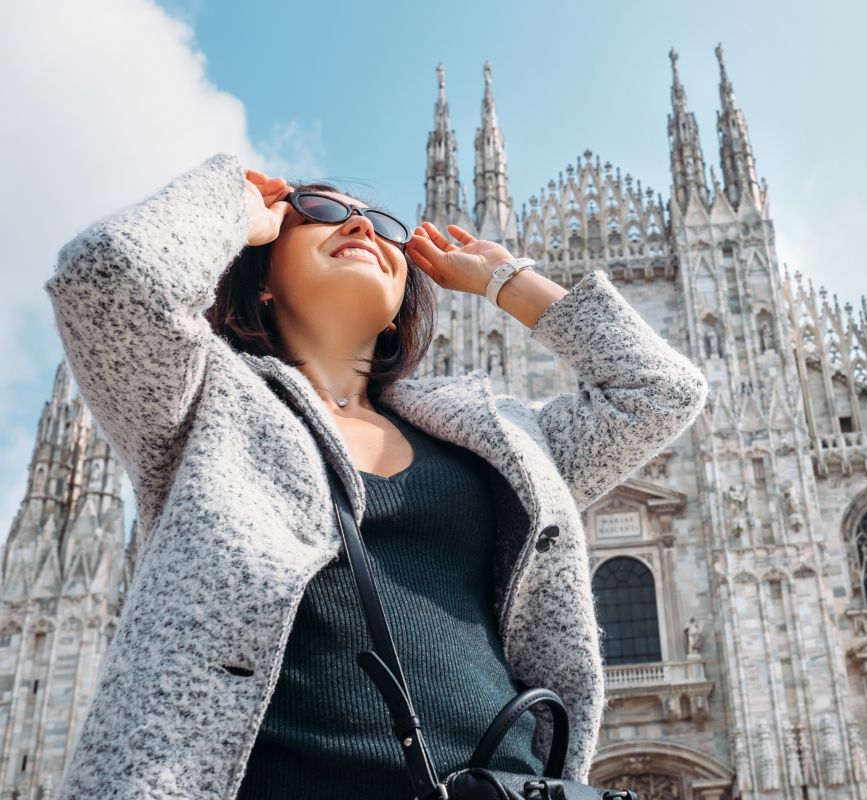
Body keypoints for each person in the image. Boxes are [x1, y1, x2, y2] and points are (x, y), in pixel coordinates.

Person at [44, 153, 708, 799]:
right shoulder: (201, 409)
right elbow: (107, 280)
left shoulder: (494, 436)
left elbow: (659, 393)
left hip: (498, 784)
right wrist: (229, 204)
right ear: (261, 277)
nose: (361, 226)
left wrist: (505, 278)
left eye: (383, 226)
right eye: (322, 212)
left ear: (398, 309)